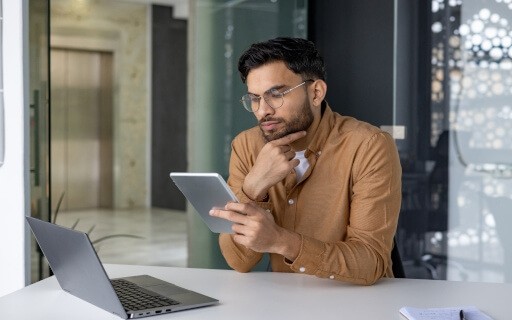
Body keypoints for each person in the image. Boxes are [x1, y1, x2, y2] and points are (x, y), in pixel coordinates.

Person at [209, 37, 402, 285]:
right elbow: (239, 261)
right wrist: (254, 188)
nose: (262, 110)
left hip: (354, 301)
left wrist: (280, 241)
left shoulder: (369, 146)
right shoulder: (247, 146)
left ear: (316, 92)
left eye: (275, 94)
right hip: (281, 302)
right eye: (254, 98)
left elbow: (371, 261)